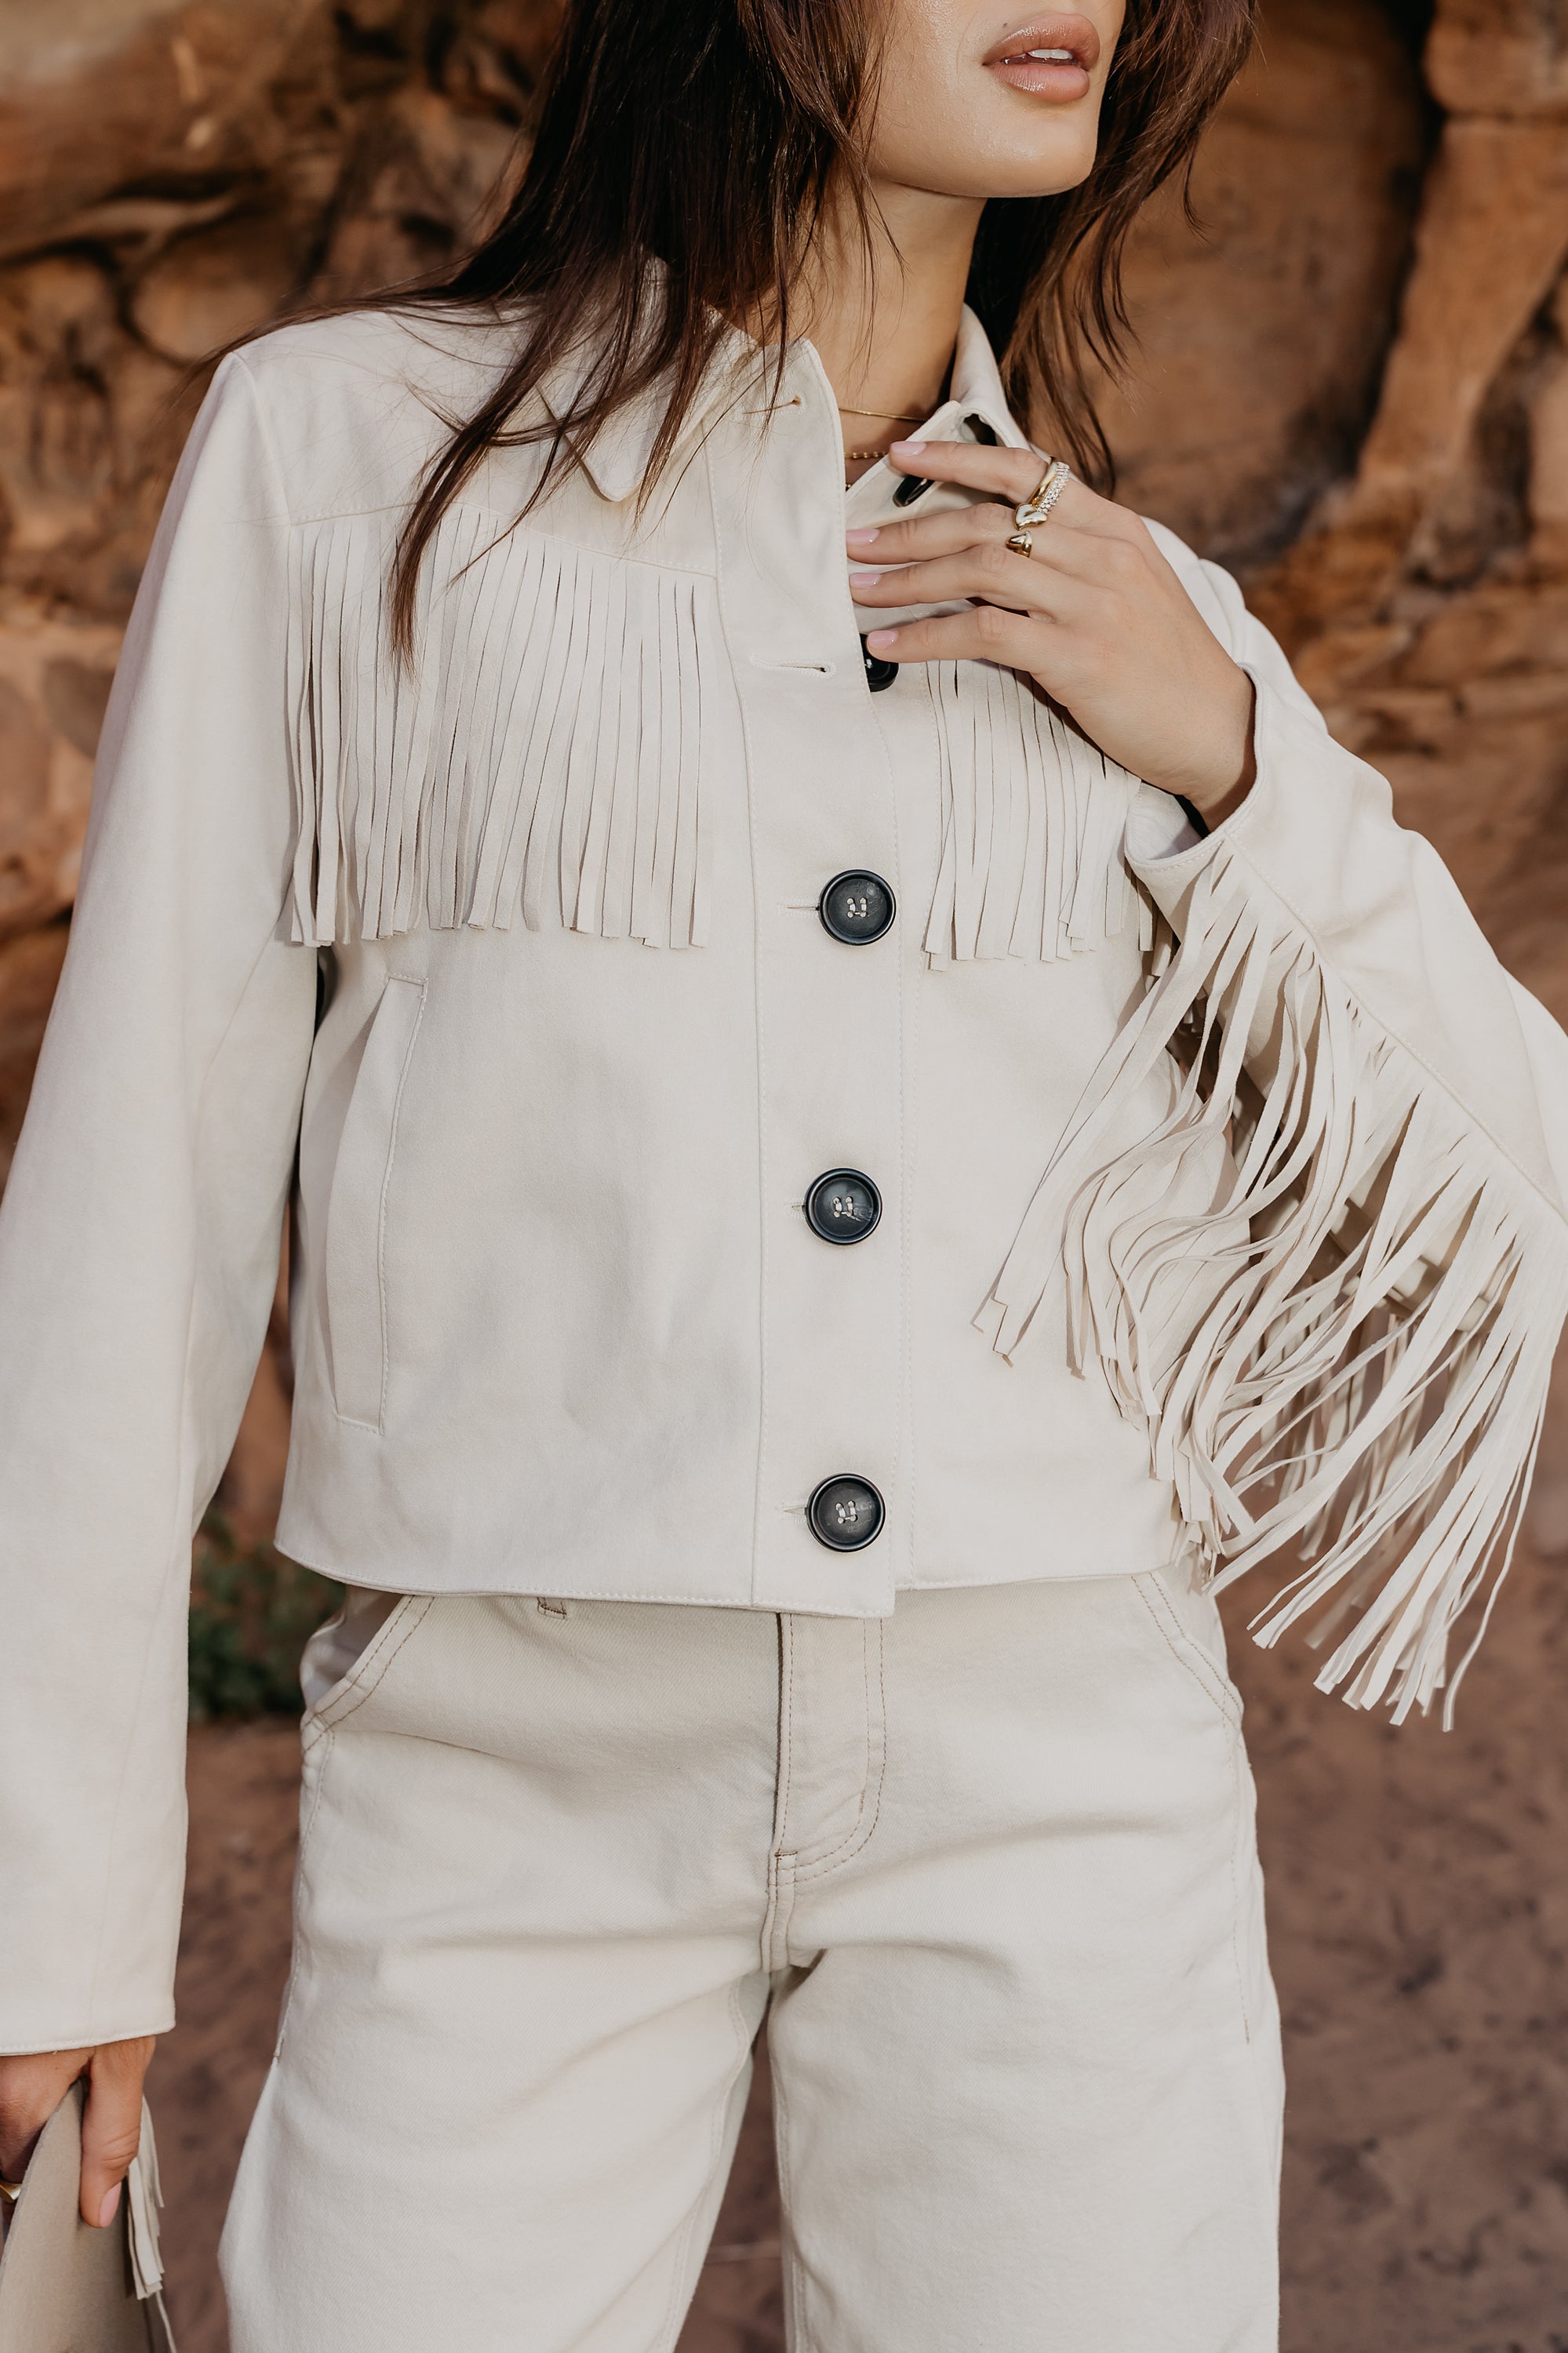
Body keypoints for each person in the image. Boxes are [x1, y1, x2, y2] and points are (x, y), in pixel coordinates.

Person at [1, 0, 1564, 2344]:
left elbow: (1513, 1172)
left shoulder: (1140, 607)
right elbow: (135, 1207)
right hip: (502, 1762)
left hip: (1067, 1779)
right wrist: (47, 1911)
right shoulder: (345, 459)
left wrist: (1234, 753)